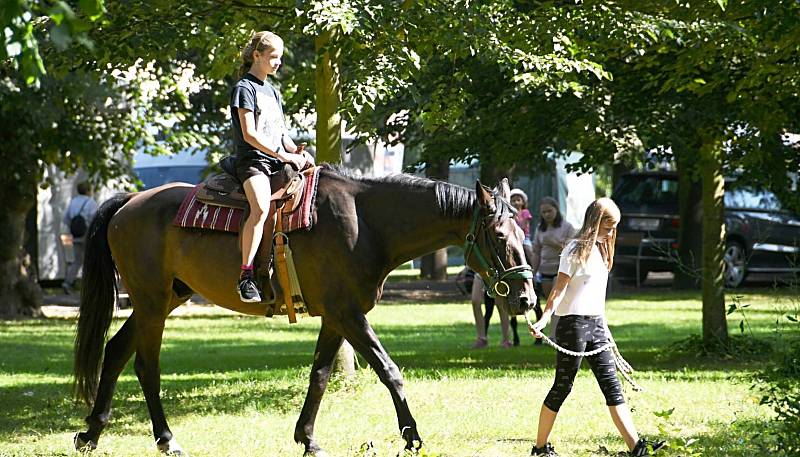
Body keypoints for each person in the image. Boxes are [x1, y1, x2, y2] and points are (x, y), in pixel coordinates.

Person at [529, 198, 664, 457]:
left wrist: (605, 327)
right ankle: (540, 448)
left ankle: (637, 449)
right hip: (573, 325)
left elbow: (595, 296)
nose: (612, 232)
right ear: (595, 222)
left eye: (615, 227)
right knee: (563, 386)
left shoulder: (603, 250)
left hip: (597, 324)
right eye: (608, 226)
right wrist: (545, 319)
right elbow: (558, 289)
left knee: (612, 386)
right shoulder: (574, 249)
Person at [230, 31, 314, 303]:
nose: (278, 62)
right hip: (253, 163)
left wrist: (296, 151)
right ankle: (246, 277)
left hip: (276, 160)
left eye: (280, 58)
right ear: (257, 55)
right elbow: (250, 135)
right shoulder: (245, 88)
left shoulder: (273, 91)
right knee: (261, 208)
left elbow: (281, 134)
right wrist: (284, 156)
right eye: (273, 57)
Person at [530, 197, 576, 340]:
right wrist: (533, 271)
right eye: (543, 212)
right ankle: (553, 333)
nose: (547, 215)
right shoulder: (540, 229)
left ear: (556, 209)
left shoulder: (567, 227)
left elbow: (573, 250)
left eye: (549, 211)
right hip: (545, 270)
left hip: (560, 270)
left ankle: (554, 335)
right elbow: (536, 251)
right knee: (550, 304)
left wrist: (555, 243)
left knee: (557, 303)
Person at [62, 181, 98, 294]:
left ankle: (67, 283)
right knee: (90, 260)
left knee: (77, 261)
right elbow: (96, 218)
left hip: (76, 235)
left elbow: (65, 218)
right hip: (87, 234)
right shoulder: (91, 202)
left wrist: (74, 228)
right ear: (88, 190)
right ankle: (89, 285)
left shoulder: (73, 202)